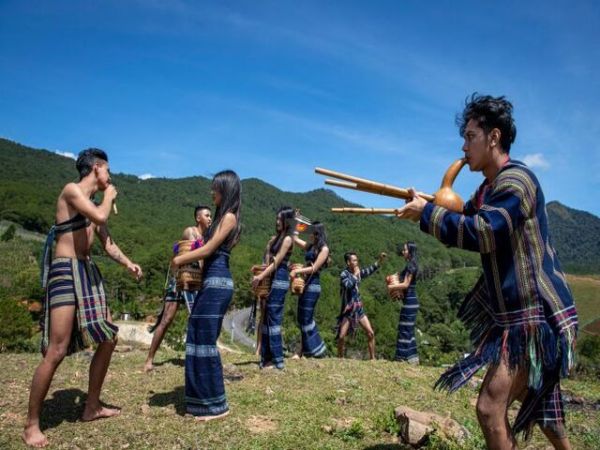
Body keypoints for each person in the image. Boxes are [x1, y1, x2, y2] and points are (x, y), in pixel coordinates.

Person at [397, 94, 578, 449]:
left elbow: (484, 231)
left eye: (469, 136)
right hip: (516, 319)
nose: (463, 147)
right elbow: (467, 215)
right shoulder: (488, 190)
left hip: (533, 322)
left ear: (493, 137)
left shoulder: (516, 182)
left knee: (489, 408)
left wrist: (429, 215)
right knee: (544, 412)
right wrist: (429, 205)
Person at [23, 149, 143, 448]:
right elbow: (101, 214)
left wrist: (128, 263)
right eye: (108, 170)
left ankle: (91, 406)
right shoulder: (73, 192)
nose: (110, 176)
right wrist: (110, 196)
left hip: (87, 272)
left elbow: (108, 242)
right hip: (65, 271)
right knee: (57, 349)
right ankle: (31, 424)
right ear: (97, 168)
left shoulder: (93, 206)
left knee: (109, 337)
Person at [172, 170, 241, 422]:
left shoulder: (230, 218)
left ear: (226, 190)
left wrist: (180, 259)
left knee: (204, 337)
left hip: (219, 282)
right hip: (211, 281)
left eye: (215, 188)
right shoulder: (219, 220)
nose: (212, 193)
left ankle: (215, 405)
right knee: (197, 333)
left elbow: (210, 249)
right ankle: (201, 401)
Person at [144, 205, 212, 372]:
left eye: (211, 216)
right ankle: (149, 359)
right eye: (207, 215)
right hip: (181, 279)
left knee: (197, 319)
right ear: (198, 218)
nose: (210, 218)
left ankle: (197, 358)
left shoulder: (207, 237)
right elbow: (197, 256)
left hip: (194, 281)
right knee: (166, 319)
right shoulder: (191, 232)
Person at [252, 207, 295, 369]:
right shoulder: (277, 238)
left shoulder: (288, 239)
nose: (277, 221)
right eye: (276, 218)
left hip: (280, 278)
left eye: (280, 219)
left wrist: (261, 276)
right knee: (268, 315)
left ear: (287, 221)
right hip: (273, 278)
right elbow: (269, 258)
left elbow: (276, 262)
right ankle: (267, 358)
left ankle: (277, 360)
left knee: (273, 317)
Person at [337, 251, 387, 360]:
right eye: (354, 260)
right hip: (348, 310)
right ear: (348, 262)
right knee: (341, 337)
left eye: (356, 260)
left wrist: (380, 260)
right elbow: (348, 285)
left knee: (370, 333)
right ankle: (340, 358)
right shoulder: (344, 274)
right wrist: (355, 275)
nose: (356, 262)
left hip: (358, 309)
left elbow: (369, 270)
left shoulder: (357, 272)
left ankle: (372, 358)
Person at [290, 221, 329, 358]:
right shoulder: (311, 247)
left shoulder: (324, 249)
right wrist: (296, 222)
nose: (309, 233)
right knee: (301, 318)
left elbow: (314, 268)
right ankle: (302, 351)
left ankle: (314, 349)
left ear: (317, 233)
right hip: (305, 284)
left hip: (313, 285)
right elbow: (295, 239)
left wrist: (298, 270)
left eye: (311, 231)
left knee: (306, 318)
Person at [389, 242, 419, 364]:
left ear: (410, 251)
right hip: (411, 301)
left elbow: (406, 284)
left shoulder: (411, 265)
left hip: (410, 302)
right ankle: (413, 358)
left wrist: (391, 287)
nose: (403, 252)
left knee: (404, 329)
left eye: (405, 250)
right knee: (409, 330)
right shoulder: (411, 265)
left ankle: (400, 357)